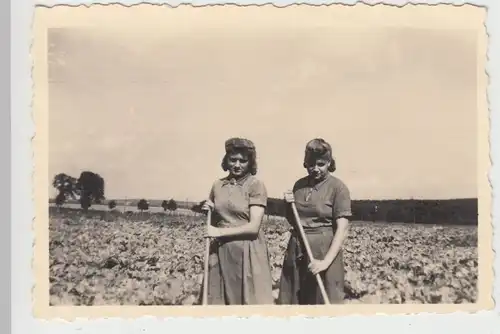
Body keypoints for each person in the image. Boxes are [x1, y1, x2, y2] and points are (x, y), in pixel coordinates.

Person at [277, 138, 352, 305]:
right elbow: (293, 220)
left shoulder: (338, 188)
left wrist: (325, 262)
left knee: (322, 301)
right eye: (311, 164)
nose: (315, 169)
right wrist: (287, 204)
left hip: (323, 250)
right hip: (297, 248)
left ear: (329, 163)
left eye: (321, 164)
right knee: (294, 300)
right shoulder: (299, 185)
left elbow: (342, 229)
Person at [199, 137, 273, 305]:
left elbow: (253, 227)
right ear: (226, 160)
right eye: (233, 160)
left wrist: (219, 232)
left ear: (250, 163)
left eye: (243, 161)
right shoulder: (218, 185)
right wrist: (209, 210)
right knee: (219, 300)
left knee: (247, 302)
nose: (237, 165)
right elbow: (219, 218)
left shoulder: (256, 186)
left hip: (247, 250)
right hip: (221, 250)